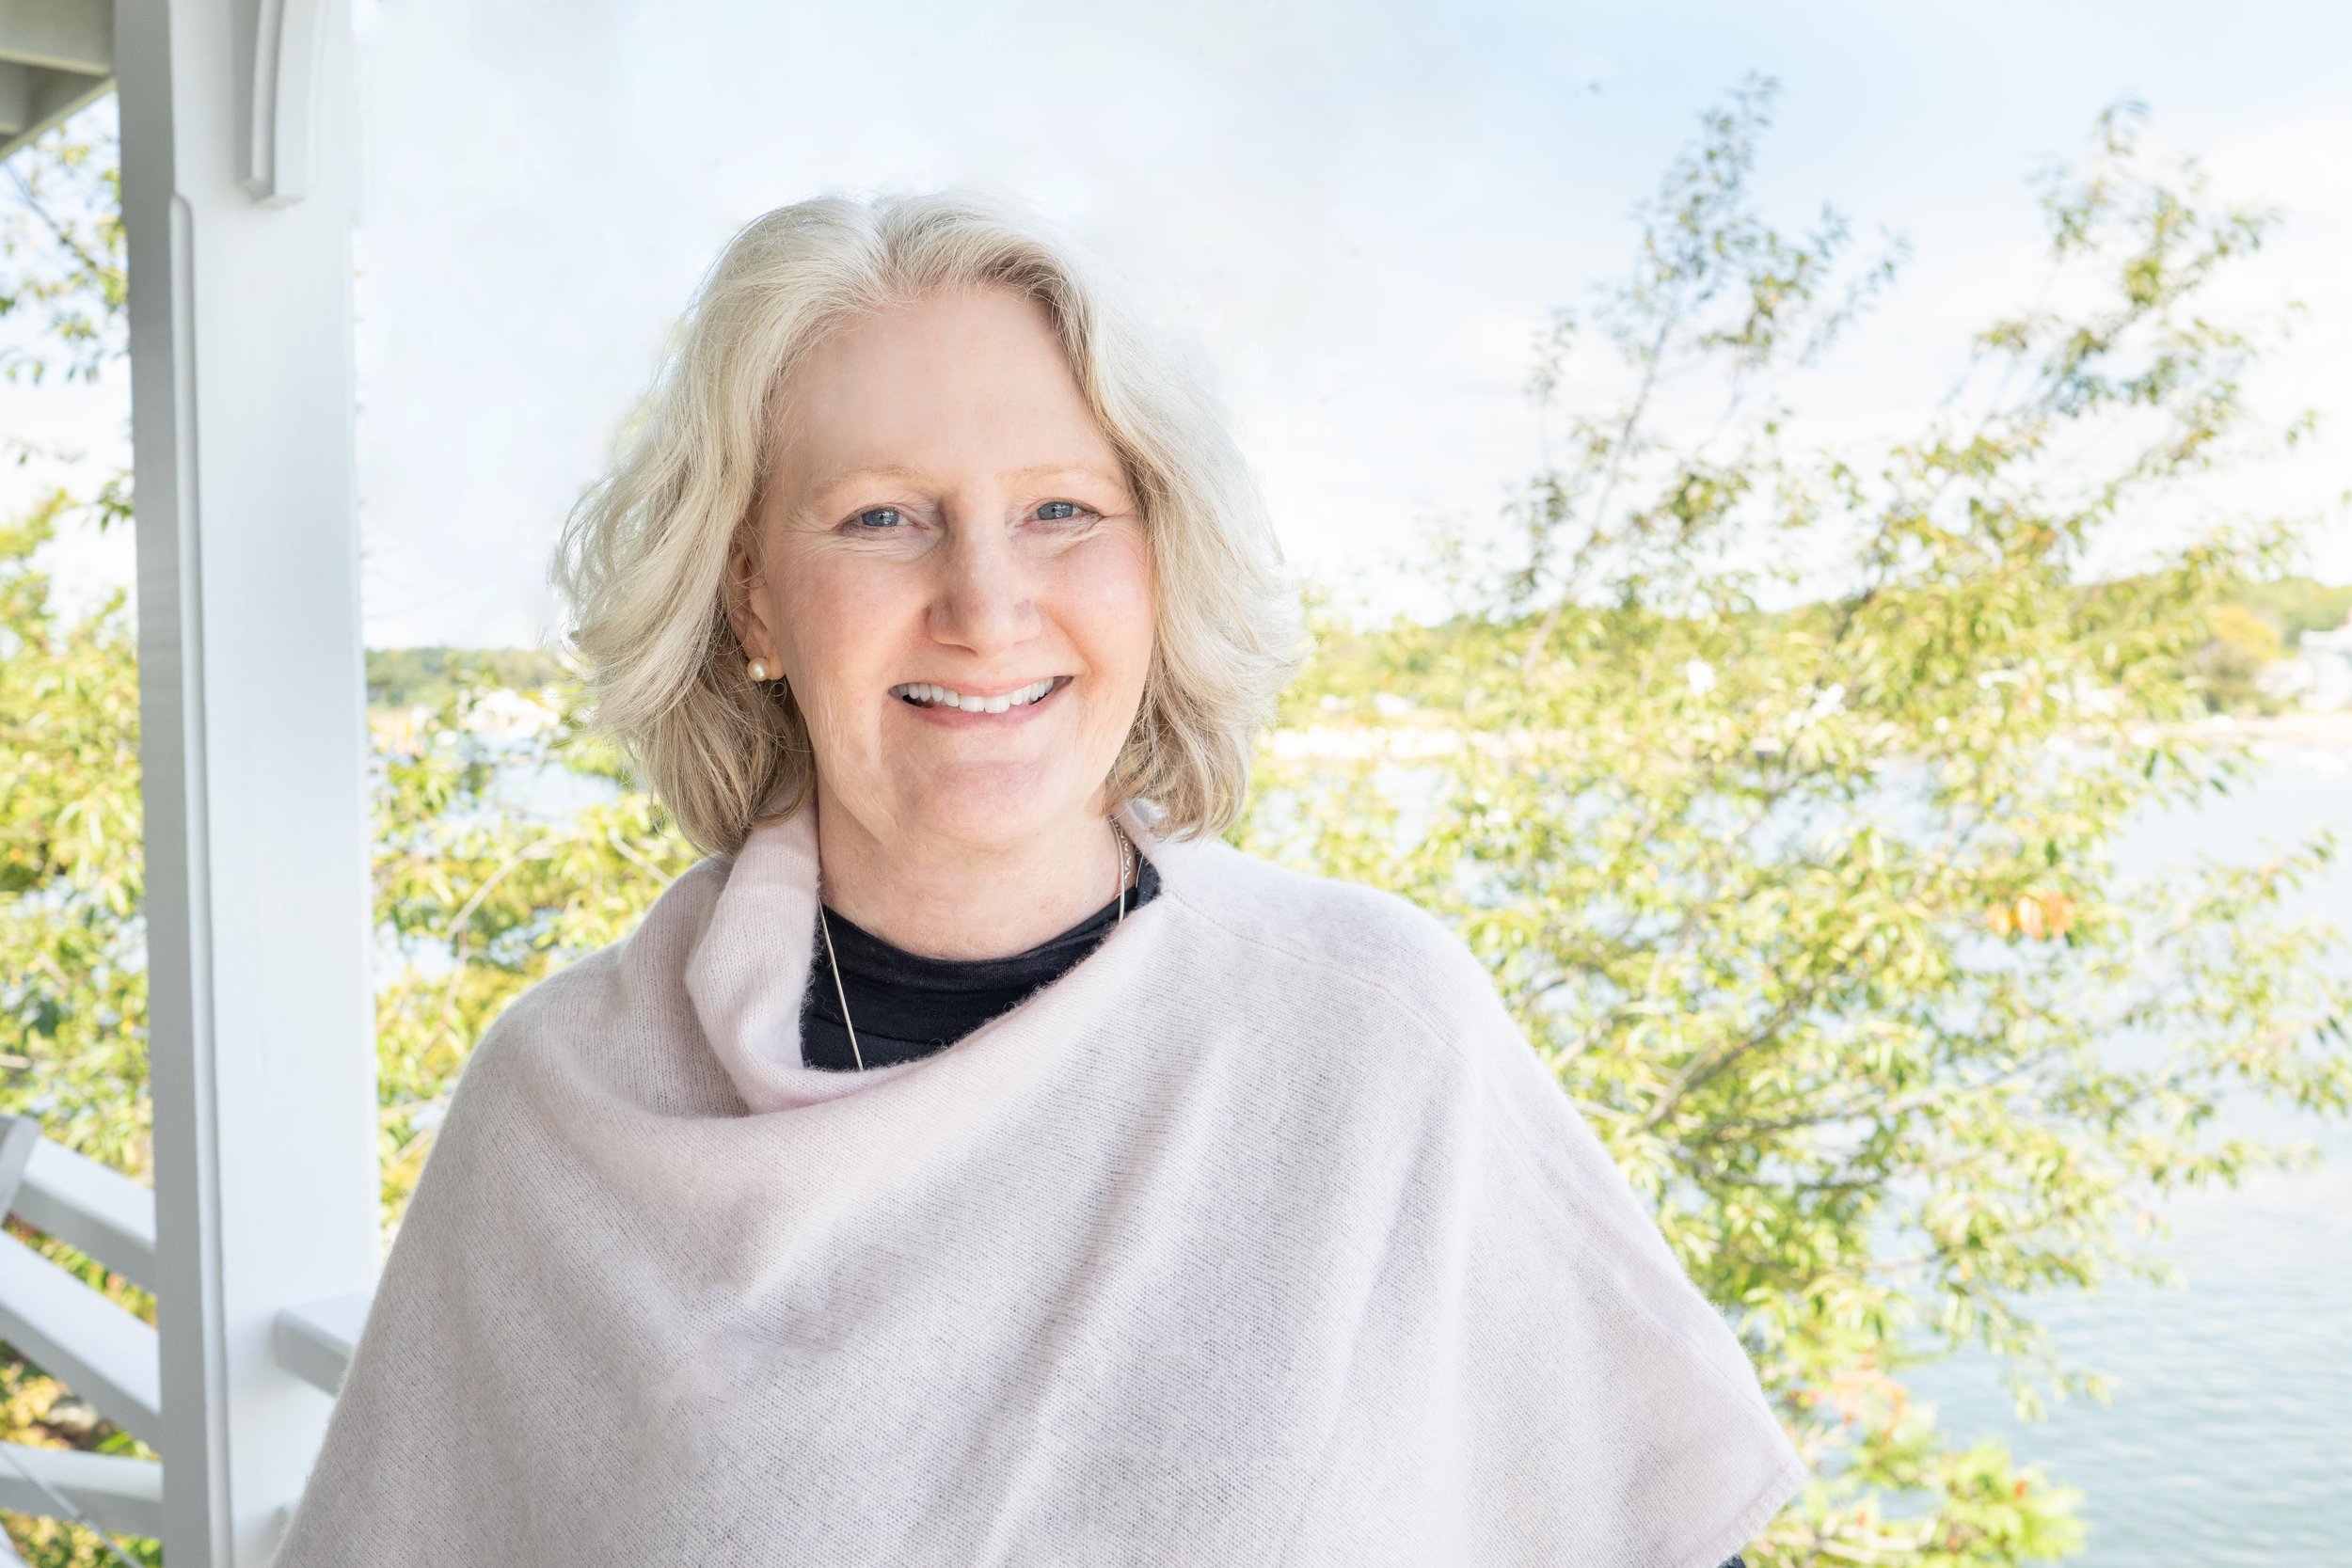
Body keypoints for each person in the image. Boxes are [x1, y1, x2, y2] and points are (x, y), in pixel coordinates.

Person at [273, 192, 1804, 1566]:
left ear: (1158, 562)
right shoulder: (565, 1110)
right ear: (752, 596)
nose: (986, 603)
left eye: (1062, 510)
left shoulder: (1374, 1039)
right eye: (881, 518)